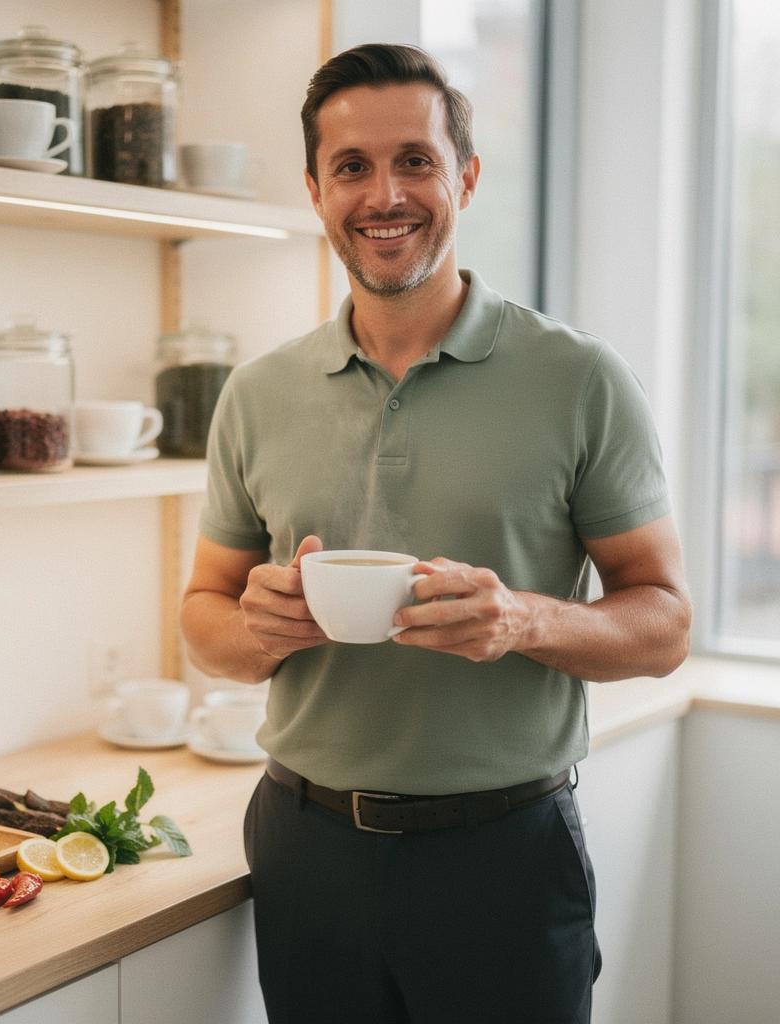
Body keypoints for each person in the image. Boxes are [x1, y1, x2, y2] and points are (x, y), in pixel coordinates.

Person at [180, 43, 691, 1024]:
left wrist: (523, 620)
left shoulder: (578, 379)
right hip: (304, 846)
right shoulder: (257, 394)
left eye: (414, 159)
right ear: (315, 190)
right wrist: (264, 625)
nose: (385, 194)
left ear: (465, 174)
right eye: (352, 167)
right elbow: (203, 621)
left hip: (504, 855)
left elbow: (664, 623)